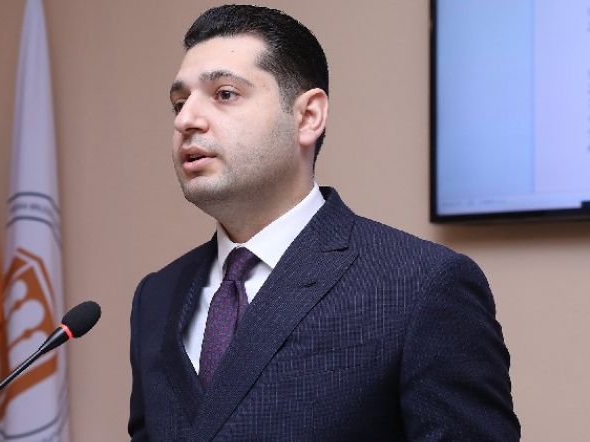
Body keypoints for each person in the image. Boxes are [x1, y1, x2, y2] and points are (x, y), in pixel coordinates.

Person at [128, 5, 520, 441]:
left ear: (308, 116)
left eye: (224, 94)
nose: (186, 120)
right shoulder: (157, 297)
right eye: (179, 104)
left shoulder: (420, 284)